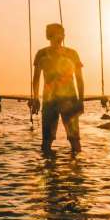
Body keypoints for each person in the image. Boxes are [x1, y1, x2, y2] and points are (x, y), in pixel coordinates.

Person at [29, 23, 84, 154]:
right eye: (60, 32)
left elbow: (79, 79)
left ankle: (76, 171)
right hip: (49, 102)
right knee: (47, 141)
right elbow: (36, 79)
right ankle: (48, 169)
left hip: (70, 100)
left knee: (74, 139)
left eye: (63, 33)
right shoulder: (41, 54)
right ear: (50, 36)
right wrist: (36, 98)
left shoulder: (72, 53)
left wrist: (80, 100)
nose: (62, 35)